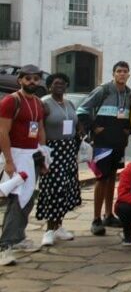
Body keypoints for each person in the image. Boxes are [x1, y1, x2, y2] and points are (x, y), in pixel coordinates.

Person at [76, 60, 131, 237]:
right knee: (101, 178)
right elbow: (82, 110)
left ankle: (109, 214)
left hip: (119, 142)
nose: (122, 74)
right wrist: (93, 127)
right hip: (102, 143)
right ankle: (96, 218)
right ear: (113, 73)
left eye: (125, 71)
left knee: (111, 179)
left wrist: (129, 129)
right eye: (119, 71)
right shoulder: (103, 90)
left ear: (129, 74)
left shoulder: (130, 94)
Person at [0, 65, 46, 264]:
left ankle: (18, 238)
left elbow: (40, 130)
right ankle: (5, 246)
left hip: (33, 156)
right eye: (28, 78)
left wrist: (44, 157)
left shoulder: (37, 102)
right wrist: (9, 161)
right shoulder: (11, 101)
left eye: (35, 78)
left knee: (27, 200)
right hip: (17, 156)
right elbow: (2, 132)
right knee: (16, 200)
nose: (32, 82)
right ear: (20, 80)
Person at [37, 73, 82, 247]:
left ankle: (59, 226)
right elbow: (38, 125)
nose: (59, 86)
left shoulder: (69, 103)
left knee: (65, 188)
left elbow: (75, 121)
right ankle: (49, 229)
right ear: (49, 86)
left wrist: (81, 130)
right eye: (56, 84)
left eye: (62, 83)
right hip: (52, 150)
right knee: (53, 188)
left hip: (68, 150)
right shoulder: (45, 103)